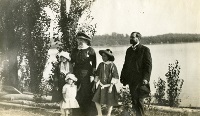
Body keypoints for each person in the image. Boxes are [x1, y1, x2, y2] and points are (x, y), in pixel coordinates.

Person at [120, 32, 152, 116]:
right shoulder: (129, 50)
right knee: (134, 101)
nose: (130, 39)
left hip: (141, 80)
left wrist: (146, 78)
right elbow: (126, 65)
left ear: (138, 38)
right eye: (130, 37)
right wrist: (123, 77)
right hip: (131, 80)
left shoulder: (145, 50)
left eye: (132, 37)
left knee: (139, 100)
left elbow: (148, 65)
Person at [71, 32, 97, 116]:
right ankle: (77, 113)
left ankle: (88, 113)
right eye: (78, 39)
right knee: (76, 92)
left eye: (81, 40)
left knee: (86, 92)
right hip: (76, 73)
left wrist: (92, 75)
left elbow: (94, 64)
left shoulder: (90, 50)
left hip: (87, 74)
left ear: (86, 40)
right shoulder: (75, 50)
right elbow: (71, 62)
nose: (79, 41)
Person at [92, 49, 119, 116]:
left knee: (110, 101)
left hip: (109, 86)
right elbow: (97, 75)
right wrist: (94, 84)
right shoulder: (101, 65)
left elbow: (115, 76)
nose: (103, 57)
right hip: (101, 85)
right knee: (96, 99)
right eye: (102, 56)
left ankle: (108, 114)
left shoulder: (112, 65)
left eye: (105, 56)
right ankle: (99, 113)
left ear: (108, 57)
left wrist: (111, 87)